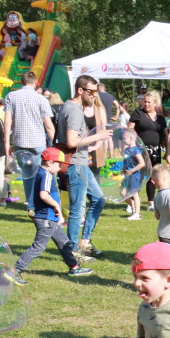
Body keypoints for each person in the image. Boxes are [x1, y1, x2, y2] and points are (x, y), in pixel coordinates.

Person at [11, 148, 94, 284]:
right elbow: (44, 195)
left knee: (64, 242)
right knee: (38, 246)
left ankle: (74, 267)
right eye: (58, 164)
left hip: (51, 218)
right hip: (46, 219)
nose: (60, 167)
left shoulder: (42, 172)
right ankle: (15, 270)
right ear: (49, 162)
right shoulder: (46, 175)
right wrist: (56, 206)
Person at [59, 74, 109, 262]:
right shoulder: (74, 110)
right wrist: (98, 136)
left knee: (98, 199)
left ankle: (84, 241)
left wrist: (89, 143)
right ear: (80, 90)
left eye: (96, 92)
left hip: (81, 162)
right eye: (92, 92)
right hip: (75, 165)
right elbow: (72, 141)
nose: (95, 95)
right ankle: (73, 251)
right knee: (77, 209)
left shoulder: (71, 107)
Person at [3, 71, 55, 215]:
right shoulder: (41, 99)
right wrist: (56, 143)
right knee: (41, 173)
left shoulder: (11, 96)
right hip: (38, 141)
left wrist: (7, 143)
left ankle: (31, 204)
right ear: (35, 82)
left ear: (21, 81)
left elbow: (7, 121)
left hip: (20, 140)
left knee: (27, 175)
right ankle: (40, 203)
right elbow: (48, 125)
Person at [129, 90, 169, 212]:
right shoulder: (137, 113)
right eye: (145, 102)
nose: (146, 104)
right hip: (140, 150)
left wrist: (168, 151)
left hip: (155, 151)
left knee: (153, 175)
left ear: (155, 103)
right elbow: (129, 129)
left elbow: (166, 135)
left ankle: (150, 203)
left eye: (149, 102)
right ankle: (131, 202)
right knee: (138, 176)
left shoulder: (160, 118)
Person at [122, 129, 146, 221]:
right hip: (127, 174)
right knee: (123, 194)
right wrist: (122, 169)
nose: (123, 140)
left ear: (131, 138)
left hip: (134, 175)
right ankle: (134, 208)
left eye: (125, 138)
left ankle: (137, 214)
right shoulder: (127, 149)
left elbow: (142, 163)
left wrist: (132, 171)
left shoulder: (136, 150)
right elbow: (126, 161)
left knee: (134, 194)